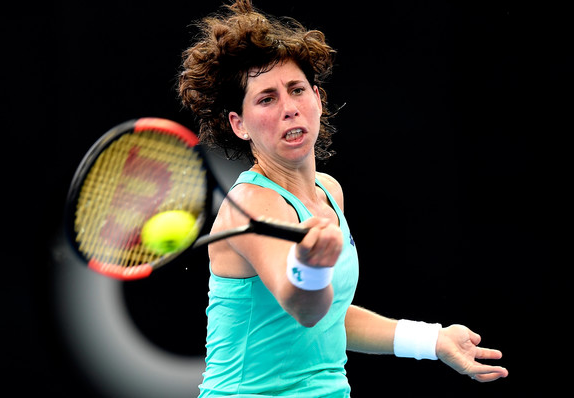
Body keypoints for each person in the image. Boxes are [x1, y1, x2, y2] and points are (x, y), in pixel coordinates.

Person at [178, 1, 508, 396]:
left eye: (297, 90)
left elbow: (331, 318)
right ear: (239, 124)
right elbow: (305, 310)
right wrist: (310, 267)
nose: (289, 108)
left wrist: (431, 341)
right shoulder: (251, 204)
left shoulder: (329, 190)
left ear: (317, 99)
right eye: (266, 99)